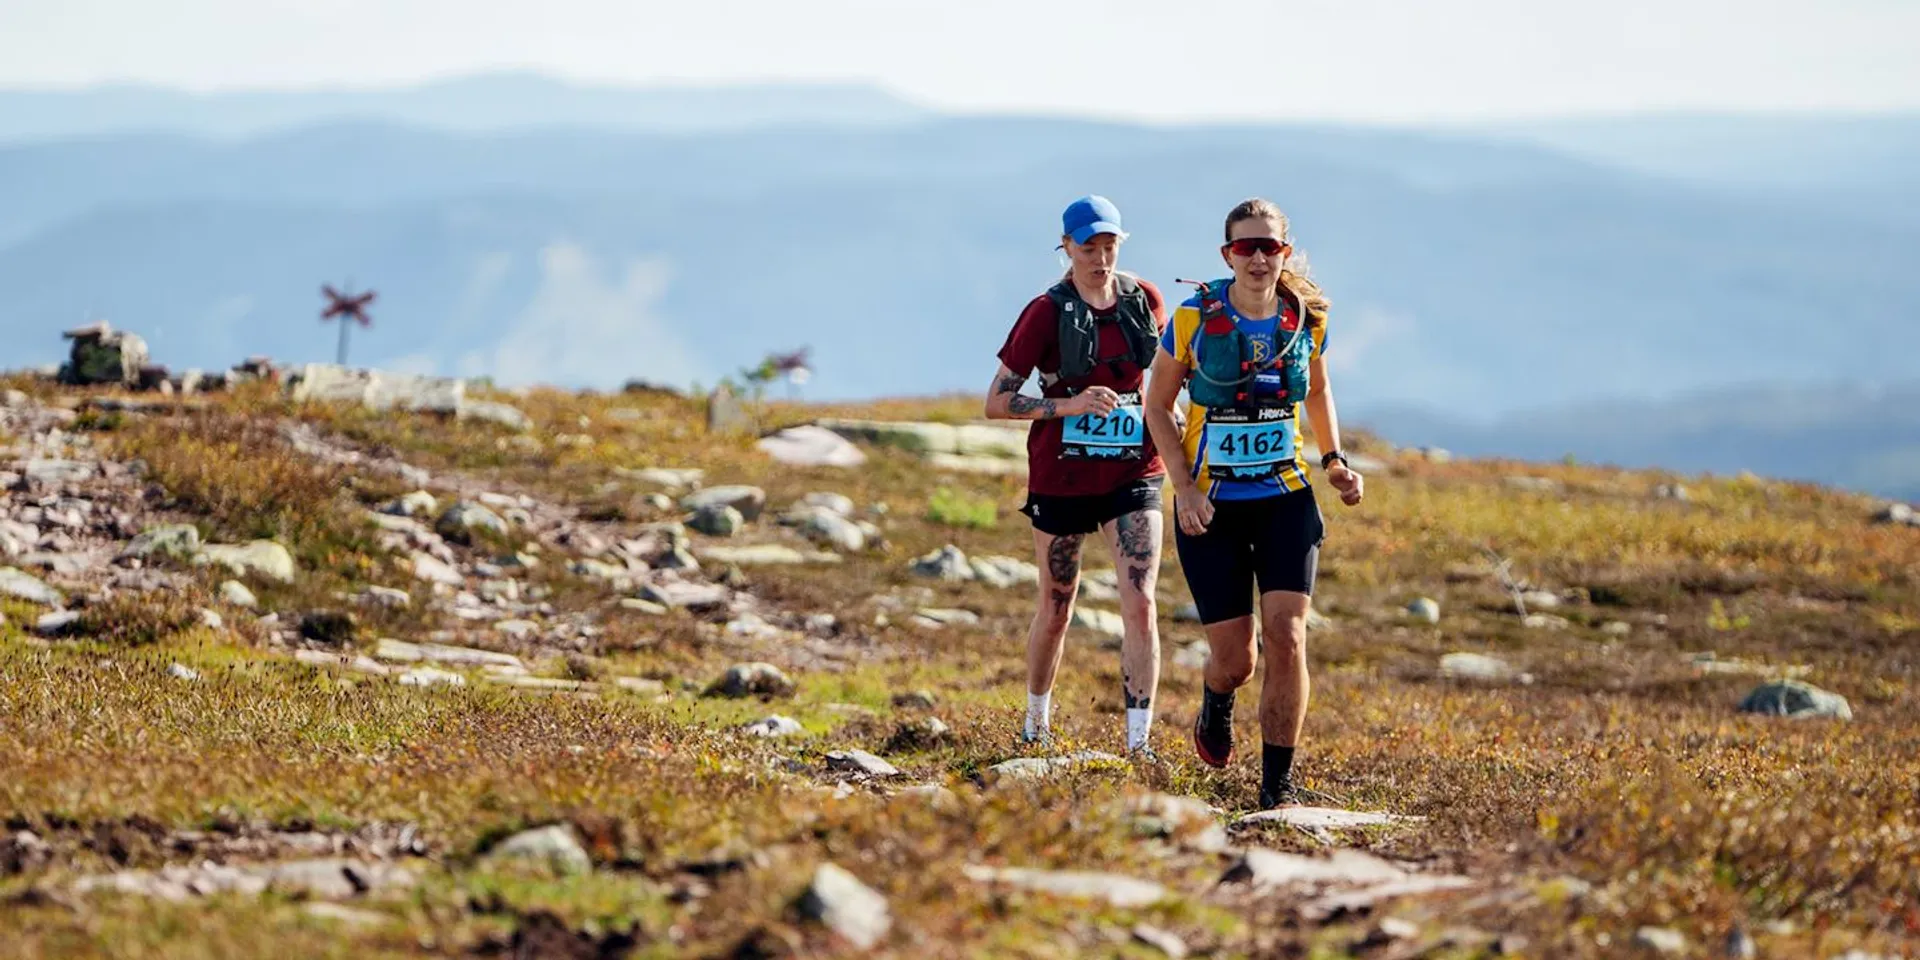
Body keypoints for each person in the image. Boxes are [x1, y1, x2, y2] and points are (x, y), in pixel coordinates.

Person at [1141, 197, 1365, 808]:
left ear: (1285, 253)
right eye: (1246, 247)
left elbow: (1317, 391)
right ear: (1227, 255)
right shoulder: (1192, 320)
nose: (1259, 258)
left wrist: (1335, 460)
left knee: (1288, 636)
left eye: (1270, 247)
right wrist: (1183, 488)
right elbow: (1156, 406)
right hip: (1211, 506)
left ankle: (1277, 786)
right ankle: (1217, 700)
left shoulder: (1306, 318)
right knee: (1236, 660)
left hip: (1285, 498)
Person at [985, 195, 1169, 756]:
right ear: (1065, 247)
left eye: (1109, 245)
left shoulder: (1145, 300)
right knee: (1058, 604)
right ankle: (1035, 723)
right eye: (1088, 247)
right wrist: (1069, 406)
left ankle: (1139, 745)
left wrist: (1169, 406)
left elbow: (1167, 370)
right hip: (1061, 475)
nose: (1100, 258)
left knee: (1140, 599)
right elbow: (996, 401)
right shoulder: (1045, 312)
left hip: (1135, 468)